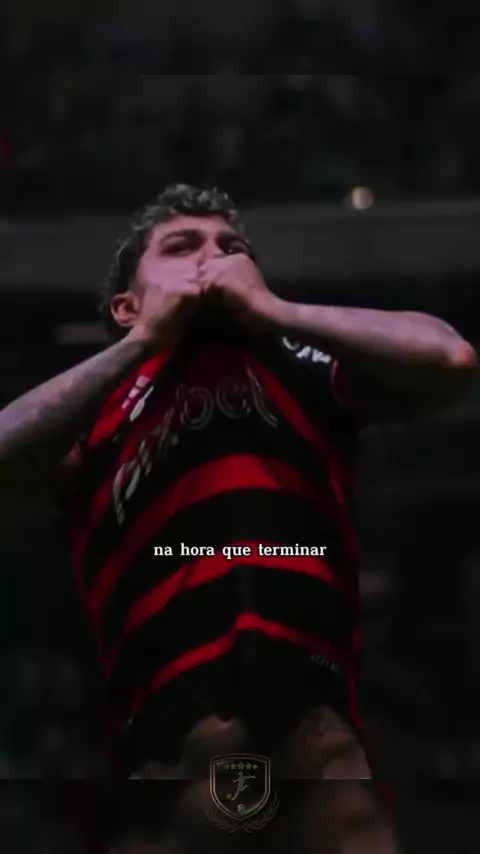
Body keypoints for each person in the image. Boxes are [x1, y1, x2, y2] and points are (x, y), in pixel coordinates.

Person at [0, 184, 476, 853]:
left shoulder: (302, 370)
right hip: (169, 755)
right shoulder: (97, 416)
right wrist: (144, 341)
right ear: (126, 303)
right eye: (182, 246)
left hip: (316, 731)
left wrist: (274, 310)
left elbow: (450, 360)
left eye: (232, 248)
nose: (213, 258)